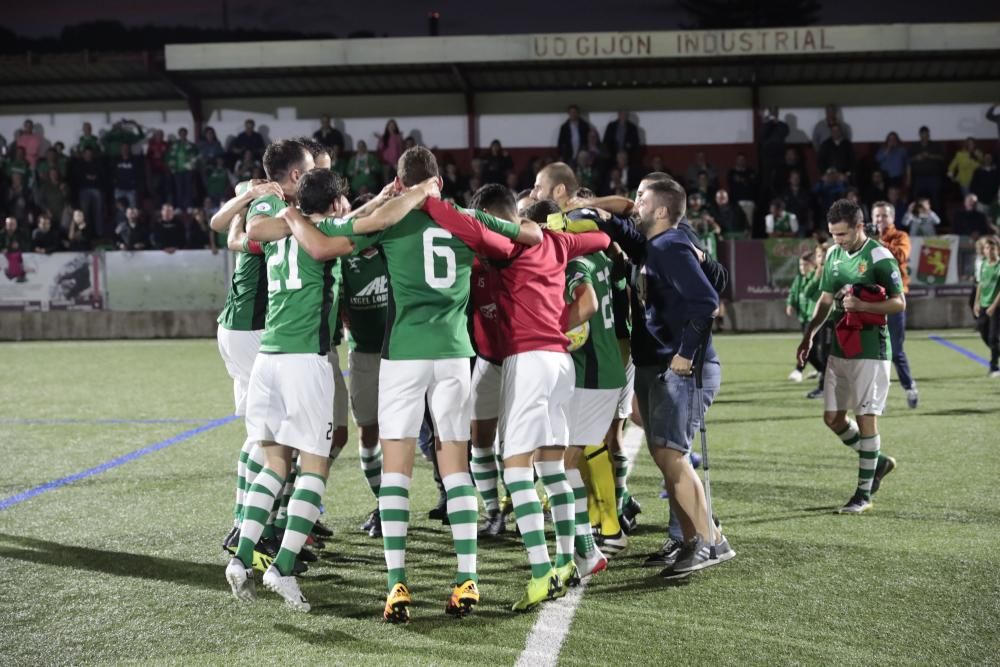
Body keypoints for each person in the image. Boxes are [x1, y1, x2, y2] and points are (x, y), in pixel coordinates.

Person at [630, 178, 735, 576]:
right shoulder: (661, 244)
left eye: (642, 198)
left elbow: (708, 302)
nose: (635, 202)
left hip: (688, 369)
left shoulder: (669, 244)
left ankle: (712, 541)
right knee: (666, 455)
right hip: (669, 365)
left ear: (661, 211)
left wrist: (685, 354)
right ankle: (691, 540)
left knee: (672, 454)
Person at [796, 199, 902, 514]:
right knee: (833, 418)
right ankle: (878, 462)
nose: (837, 240)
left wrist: (865, 307)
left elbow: (899, 303)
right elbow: (826, 298)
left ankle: (863, 495)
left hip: (873, 347)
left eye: (842, 234)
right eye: (833, 234)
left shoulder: (880, 257)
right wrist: (809, 333)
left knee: (867, 417)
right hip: (842, 346)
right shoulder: (832, 255)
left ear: (859, 227)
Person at [874, 201, 918, 408]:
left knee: (895, 350)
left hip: (894, 298)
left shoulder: (900, 237)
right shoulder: (865, 240)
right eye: (876, 216)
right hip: (871, 299)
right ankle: (878, 398)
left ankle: (909, 387)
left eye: (883, 216)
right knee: (874, 350)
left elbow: (901, 255)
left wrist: (880, 244)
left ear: (892, 218)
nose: (879, 220)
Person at [973, 236, 1000, 377]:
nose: (990, 251)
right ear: (984, 251)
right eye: (987, 248)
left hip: (996, 306)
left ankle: (994, 367)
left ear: (998, 250)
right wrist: (976, 303)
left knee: (993, 337)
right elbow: (981, 284)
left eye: (993, 248)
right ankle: (997, 353)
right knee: (983, 332)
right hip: (984, 304)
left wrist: (993, 306)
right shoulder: (983, 264)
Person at [907, 126, 945, 209]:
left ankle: (936, 219)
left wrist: (930, 156)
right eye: (922, 135)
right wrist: (916, 157)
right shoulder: (914, 146)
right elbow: (908, 160)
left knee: (936, 199)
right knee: (917, 199)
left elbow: (942, 158)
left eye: (926, 135)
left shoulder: (935, 145)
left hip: (933, 177)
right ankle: (917, 217)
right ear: (920, 135)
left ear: (929, 135)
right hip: (918, 178)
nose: (924, 137)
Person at [168, 128, 199, 211]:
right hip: (177, 170)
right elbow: (169, 157)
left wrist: (192, 165)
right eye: (181, 133)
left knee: (188, 188)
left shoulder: (190, 145)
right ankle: (179, 207)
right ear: (179, 134)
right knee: (179, 188)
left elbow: (196, 155)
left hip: (188, 170)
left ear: (186, 134)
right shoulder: (175, 145)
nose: (182, 135)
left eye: (184, 133)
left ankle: (189, 206)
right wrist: (172, 167)